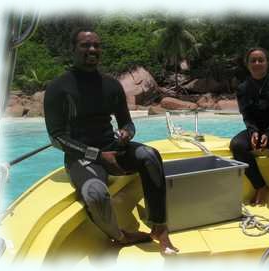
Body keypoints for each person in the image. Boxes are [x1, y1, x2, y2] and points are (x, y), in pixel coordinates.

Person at [44, 28, 178, 255]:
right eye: (85, 45)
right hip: (82, 156)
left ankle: (160, 227)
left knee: (150, 155)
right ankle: (119, 235)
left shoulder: (111, 85)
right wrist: (97, 155)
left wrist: (126, 133)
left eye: (96, 45)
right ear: (73, 50)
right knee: (95, 193)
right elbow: (56, 137)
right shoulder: (58, 88)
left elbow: (128, 123)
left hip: (113, 149)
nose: (92, 50)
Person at [229, 47, 269, 208]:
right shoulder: (243, 88)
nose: (257, 63)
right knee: (237, 145)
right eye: (253, 60)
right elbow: (247, 116)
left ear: (267, 62)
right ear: (247, 64)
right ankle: (260, 186)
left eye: (261, 60)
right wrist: (253, 132)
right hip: (256, 131)